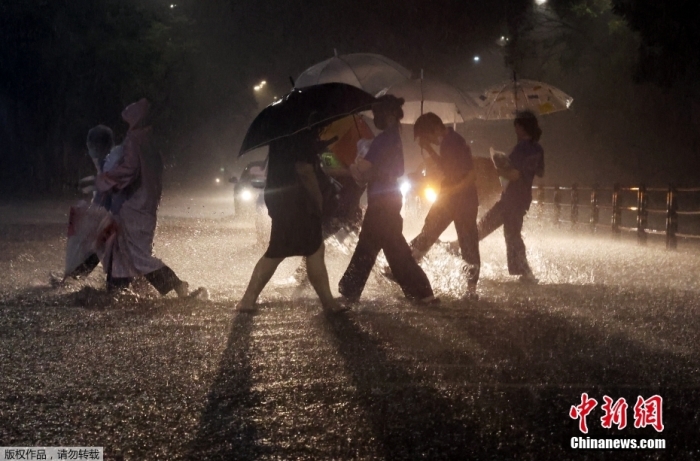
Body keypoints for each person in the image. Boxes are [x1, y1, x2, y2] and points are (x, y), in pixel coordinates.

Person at [338, 95, 437, 304]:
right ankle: (420, 292)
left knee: (382, 246)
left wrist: (353, 166)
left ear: (389, 114)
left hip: (382, 201)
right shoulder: (394, 138)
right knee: (383, 245)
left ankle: (421, 292)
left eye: (378, 113)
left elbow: (363, 169)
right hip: (389, 198)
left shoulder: (383, 140)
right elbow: (397, 169)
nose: (375, 118)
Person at [95, 98, 198, 297]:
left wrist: (105, 180)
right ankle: (117, 290)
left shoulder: (135, 139)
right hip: (145, 202)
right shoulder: (151, 138)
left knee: (136, 253)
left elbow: (130, 169)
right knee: (122, 248)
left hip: (134, 203)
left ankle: (176, 284)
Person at [236, 127, 343, 312]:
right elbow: (304, 170)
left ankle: (248, 300)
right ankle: (328, 303)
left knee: (293, 249)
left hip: (281, 200)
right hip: (298, 202)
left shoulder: (282, 135)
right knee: (306, 249)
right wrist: (318, 200)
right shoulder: (302, 133)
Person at [404, 112, 481, 298]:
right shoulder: (450, 141)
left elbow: (469, 174)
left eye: (425, 136)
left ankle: (403, 268)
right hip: (456, 199)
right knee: (436, 232)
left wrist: (452, 192)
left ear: (434, 129)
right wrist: (430, 150)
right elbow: (447, 168)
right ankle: (404, 268)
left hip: (458, 199)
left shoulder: (451, 142)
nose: (427, 140)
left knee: (457, 239)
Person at [477, 110, 544, 283]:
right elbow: (541, 172)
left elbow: (513, 175)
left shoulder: (521, 148)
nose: (515, 129)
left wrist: (497, 169)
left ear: (521, 127)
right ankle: (525, 272)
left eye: (516, 126)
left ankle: (460, 245)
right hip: (523, 197)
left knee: (492, 225)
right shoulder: (538, 148)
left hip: (512, 197)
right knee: (511, 233)